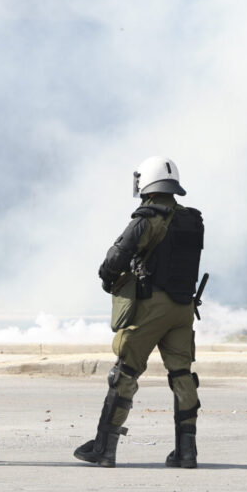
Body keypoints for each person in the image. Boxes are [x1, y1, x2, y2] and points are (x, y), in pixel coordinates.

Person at [75, 156, 205, 469]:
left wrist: (108, 278)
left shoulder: (147, 218)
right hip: (184, 307)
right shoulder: (192, 218)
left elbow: (116, 257)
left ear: (146, 182)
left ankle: (105, 447)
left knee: (125, 372)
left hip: (152, 306)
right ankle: (187, 452)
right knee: (182, 376)